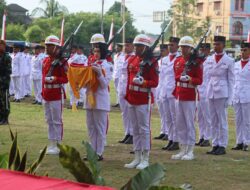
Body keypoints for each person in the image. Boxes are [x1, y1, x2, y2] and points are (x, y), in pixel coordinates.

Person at [124, 34, 159, 169]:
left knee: (144, 129)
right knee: (135, 129)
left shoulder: (152, 62)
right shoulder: (132, 59)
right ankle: (137, 156)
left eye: (140, 46)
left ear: (146, 47)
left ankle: (145, 157)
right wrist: (127, 95)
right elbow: (128, 79)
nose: (137, 48)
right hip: (132, 97)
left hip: (144, 98)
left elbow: (155, 82)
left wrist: (144, 82)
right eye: (136, 45)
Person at [171, 36, 203, 160]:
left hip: (190, 94)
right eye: (182, 46)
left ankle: (190, 150)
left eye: (186, 47)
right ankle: (182, 148)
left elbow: (199, 80)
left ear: (191, 48)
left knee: (189, 122)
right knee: (180, 123)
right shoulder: (178, 60)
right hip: (179, 93)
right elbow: (175, 76)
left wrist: (190, 79)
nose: (183, 49)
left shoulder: (197, 62)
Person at [206, 36, 234, 155]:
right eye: (214, 44)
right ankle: (215, 144)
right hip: (211, 90)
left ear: (223, 45)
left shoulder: (229, 60)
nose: (215, 46)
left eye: (218, 44)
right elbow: (207, 77)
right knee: (213, 120)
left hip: (222, 92)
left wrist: (230, 98)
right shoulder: (209, 59)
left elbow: (231, 80)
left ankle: (222, 145)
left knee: (222, 120)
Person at [85, 42, 113, 161]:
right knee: (91, 127)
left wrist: (100, 74)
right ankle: (92, 151)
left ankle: (99, 152)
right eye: (94, 51)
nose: (96, 54)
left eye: (98, 51)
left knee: (100, 128)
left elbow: (105, 84)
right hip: (90, 97)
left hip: (100, 99)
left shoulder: (107, 65)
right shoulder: (92, 64)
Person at [42, 35, 68, 155]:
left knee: (57, 121)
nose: (47, 48)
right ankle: (51, 144)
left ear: (56, 47)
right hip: (46, 93)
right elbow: (43, 77)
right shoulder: (46, 60)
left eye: (50, 46)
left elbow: (66, 78)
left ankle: (58, 145)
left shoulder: (62, 62)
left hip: (56, 93)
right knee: (49, 120)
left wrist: (55, 78)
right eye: (46, 45)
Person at [161, 37, 181, 151]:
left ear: (178, 46)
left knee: (175, 117)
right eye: (169, 44)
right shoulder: (164, 59)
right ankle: (170, 138)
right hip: (164, 91)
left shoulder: (180, 58)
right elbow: (162, 77)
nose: (170, 46)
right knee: (167, 117)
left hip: (174, 91)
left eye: (172, 44)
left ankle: (176, 140)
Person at [232, 42, 250, 151]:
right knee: (238, 120)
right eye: (242, 50)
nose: (242, 52)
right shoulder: (236, 64)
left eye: (245, 50)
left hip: (247, 95)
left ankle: (246, 142)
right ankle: (239, 141)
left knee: (247, 120)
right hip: (237, 94)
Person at [117, 38, 135, 144]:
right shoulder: (121, 57)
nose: (126, 47)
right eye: (125, 45)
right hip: (121, 86)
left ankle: (132, 133)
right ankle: (127, 132)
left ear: (133, 46)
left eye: (128, 45)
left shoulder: (134, 58)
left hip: (129, 87)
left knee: (130, 112)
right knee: (124, 113)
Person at [196, 43, 212, 147]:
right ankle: (201, 136)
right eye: (201, 49)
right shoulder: (197, 61)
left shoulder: (210, 61)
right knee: (199, 116)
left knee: (207, 116)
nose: (202, 51)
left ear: (208, 50)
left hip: (207, 90)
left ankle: (207, 137)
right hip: (198, 90)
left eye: (204, 49)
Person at [154, 44, 169, 141]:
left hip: (166, 88)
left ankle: (168, 132)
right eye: (161, 50)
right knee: (162, 112)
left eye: (163, 50)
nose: (161, 52)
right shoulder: (159, 62)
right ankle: (163, 131)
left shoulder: (169, 61)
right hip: (159, 88)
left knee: (168, 113)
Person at [0, 40, 12, 125]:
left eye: (1, 45)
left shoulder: (7, 57)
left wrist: (4, 82)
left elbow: (8, 71)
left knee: (5, 101)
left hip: (4, 82)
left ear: (4, 47)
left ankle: (5, 118)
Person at [112, 43, 123, 108]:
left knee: (120, 89)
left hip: (120, 75)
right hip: (115, 74)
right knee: (116, 89)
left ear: (121, 48)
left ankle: (120, 102)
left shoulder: (123, 56)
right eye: (116, 47)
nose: (116, 48)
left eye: (117, 47)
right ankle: (117, 102)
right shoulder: (115, 56)